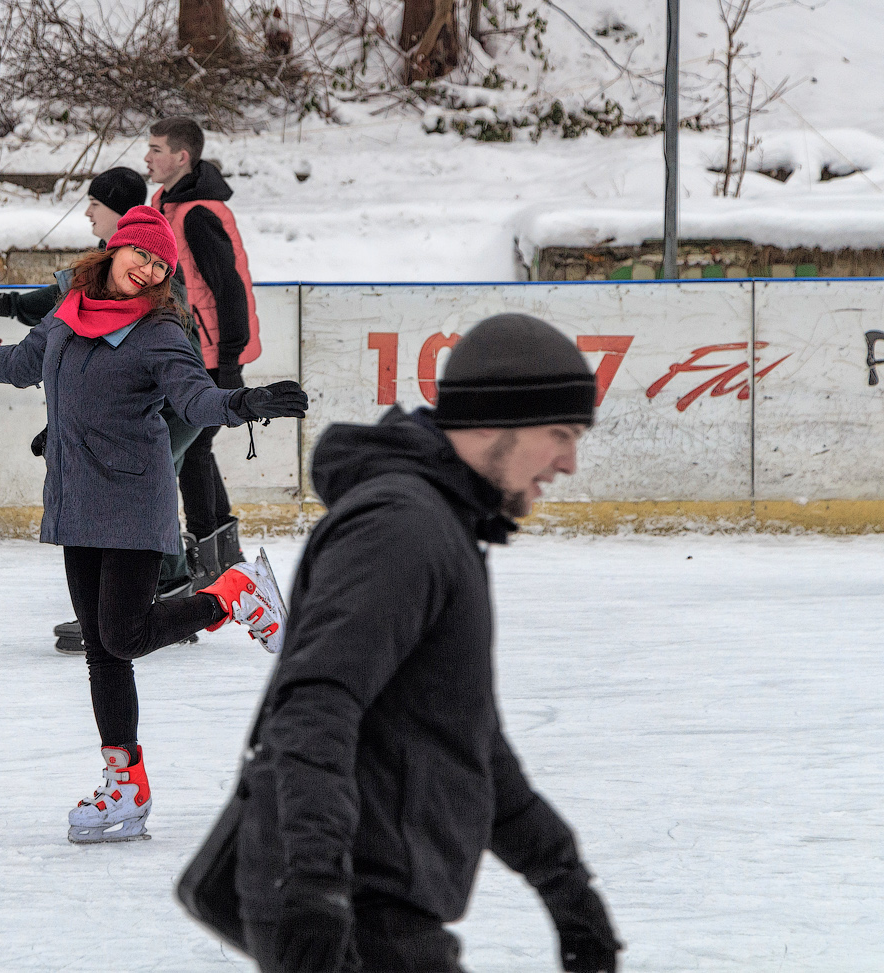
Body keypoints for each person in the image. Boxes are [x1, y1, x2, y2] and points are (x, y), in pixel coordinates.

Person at [232, 314, 622, 973]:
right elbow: (315, 701)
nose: (569, 462)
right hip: (353, 910)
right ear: (496, 422)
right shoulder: (404, 528)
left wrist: (564, 882)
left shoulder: (440, 524)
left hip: (375, 900)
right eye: (560, 434)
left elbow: (464, 737)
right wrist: (317, 882)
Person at [0, 206, 308, 843]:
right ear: (117, 249)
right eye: (141, 255)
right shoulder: (69, 308)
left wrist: (242, 403)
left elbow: (193, 398)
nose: (147, 270)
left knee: (124, 637)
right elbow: (20, 365)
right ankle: (125, 783)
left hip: (132, 498)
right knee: (102, 651)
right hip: (74, 499)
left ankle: (232, 595)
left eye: (160, 264)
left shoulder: (161, 331)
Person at [0, 167, 211, 656]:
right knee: (121, 492)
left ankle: (158, 597)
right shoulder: (101, 276)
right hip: (143, 405)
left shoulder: (153, 285)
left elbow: (152, 373)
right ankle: (121, 608)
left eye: (96, 203)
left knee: (140, 490)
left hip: (174, 405)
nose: (87, 211)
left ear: (121, 217)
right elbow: (69, 325)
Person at [146, 116, 262, 576]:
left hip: (210, 356)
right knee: (196, 450)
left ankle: (212, 552)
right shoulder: (166, 203)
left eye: (156, 149)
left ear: (182, 157)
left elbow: (229, 290)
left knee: (193, 449)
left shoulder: (196, 214)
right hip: (188, 350)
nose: (148, 158)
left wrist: (230, 363)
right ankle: (218, 550)